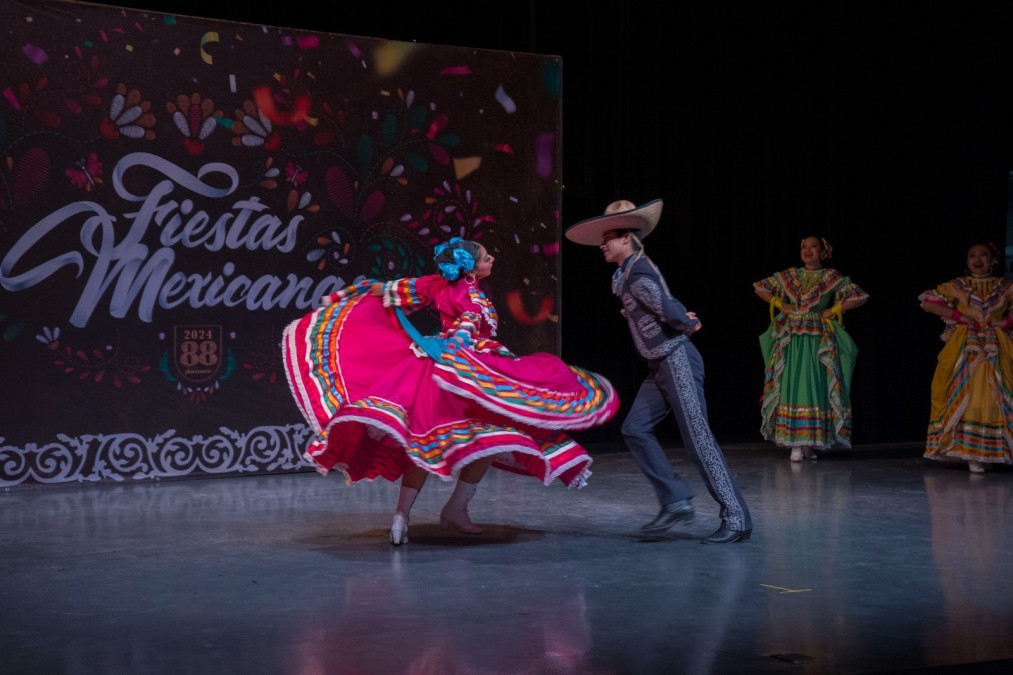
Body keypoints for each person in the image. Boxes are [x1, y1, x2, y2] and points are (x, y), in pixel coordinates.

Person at [282, 237, 619, 545]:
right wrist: (459, 341)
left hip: (446, 365)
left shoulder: (438, 284)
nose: (493, 259)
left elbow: (394, 290)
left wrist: (359, 291)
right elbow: (466, 323)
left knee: (436, 438)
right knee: (485, 435)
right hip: (464, 369)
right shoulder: (468, 293)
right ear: (471, 268)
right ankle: (441, 510)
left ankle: (410, 516)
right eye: (487, 257)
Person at [565, 199, 753, 544]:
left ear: (627, 238)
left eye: (608, 238)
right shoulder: (627, 272)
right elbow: (658, 300)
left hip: (676, 359)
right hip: (659, 365)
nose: (602, 245)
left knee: (698, 439)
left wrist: (686, 322)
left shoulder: (637, 271)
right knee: (635, 428)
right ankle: (676, 499)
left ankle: (737, 517)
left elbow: (665, 304)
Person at [753, 236, 869, 461]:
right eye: (803, 247)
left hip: (817, 337)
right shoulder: (790, 275)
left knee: (814, 382)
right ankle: (796, 442)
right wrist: (779, 304)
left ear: (823, 252)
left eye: (813, 246)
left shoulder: (830, 277)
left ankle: (810, 442)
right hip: (791, 336)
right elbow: (760, 288)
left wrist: (833, 309)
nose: (807, 250)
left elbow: (859, 296)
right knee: (792, 381)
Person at [918, 241, 1013, 473]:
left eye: (983, 255)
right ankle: (971, 452)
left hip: (995, 345)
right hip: (965, 346)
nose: (977, 259)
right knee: (963, 393)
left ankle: (991, 451)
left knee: (994, 395)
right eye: (972, 255)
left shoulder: (1005, 286)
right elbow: (929, 302)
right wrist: (958, 316)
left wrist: (1006, 322)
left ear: (994, 261)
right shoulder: (957, 286)